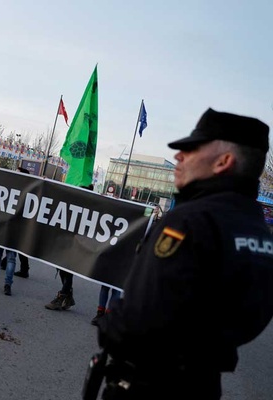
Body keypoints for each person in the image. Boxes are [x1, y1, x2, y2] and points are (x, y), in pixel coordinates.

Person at [95, 109, 273, 399]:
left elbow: (138, 320)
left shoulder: (189, 221)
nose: (178, 156)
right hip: (203, 383)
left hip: (150, 384)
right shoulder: (259, 232)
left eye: (190, 149)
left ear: (223, 161)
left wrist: (111, 321)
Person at [45, 184, 94, 311]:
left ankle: (62, 295)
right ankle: (68, 296)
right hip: (67, 242)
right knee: (61, 267)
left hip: (78, 244)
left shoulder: (92, 207)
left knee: (68, 269)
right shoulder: (74, 202)